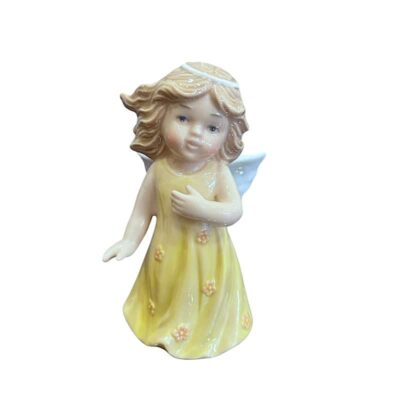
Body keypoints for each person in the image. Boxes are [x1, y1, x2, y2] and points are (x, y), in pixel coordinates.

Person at [103, 62, 253, 359]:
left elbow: (234, 211)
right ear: (162, 117)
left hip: (209, 259)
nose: (196, 134)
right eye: (183, 118)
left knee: (203, 298)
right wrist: (129, 241)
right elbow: (141, 212)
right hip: (167, 254)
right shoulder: (159, 170)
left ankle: (206, 331)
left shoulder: (217, 171)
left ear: (227, 134)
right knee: (168, 292)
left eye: (212, 127)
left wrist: (204, 209)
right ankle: (166, 326)